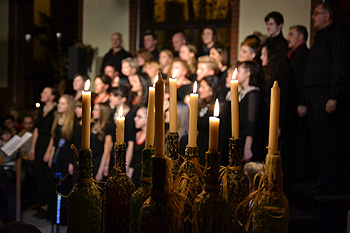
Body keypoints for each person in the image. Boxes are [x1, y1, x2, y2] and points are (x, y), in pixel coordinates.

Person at [304, 2, 349, 194]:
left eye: (316, 13)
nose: (313, 17)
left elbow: (339, 68)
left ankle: (335, 182)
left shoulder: (336, 36)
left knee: (329, 139)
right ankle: (323, 178)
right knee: (317, 140)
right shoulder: (320, 37)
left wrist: (333, 96)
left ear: (327, 16)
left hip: (326, 96)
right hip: (314, 96)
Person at [44, 94, 78, 225]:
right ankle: (53, 216)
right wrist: (50, 154)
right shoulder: (57, 119)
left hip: (66, 156)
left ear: (69, 106)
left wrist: (71, 163)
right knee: (54, 184)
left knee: (64, 186)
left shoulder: (73, 122)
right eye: (59, 103)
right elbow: (54, 140)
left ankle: (62, 217)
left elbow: (73, 144)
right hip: (57, 156)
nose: (59, 105)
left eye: (63, 103)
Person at [286, 25, 313, 183]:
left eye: (291, 34)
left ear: (301, 37)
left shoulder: (303, 56)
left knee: (302, 144)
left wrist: (303, 103)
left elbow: (304, 82)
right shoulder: (294, 55)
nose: (288, 37)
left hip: (300, 107)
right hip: (294, 106)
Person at [30, 87, 58, 218]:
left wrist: (49, 151)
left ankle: (46, 206)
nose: (42, 94)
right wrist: (33, 148)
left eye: (45, 92)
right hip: (39, 142)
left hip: (48, 142)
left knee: (46, 175)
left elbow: (53, 132)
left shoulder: (55, 111)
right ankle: (41, 203)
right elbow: (36, 129)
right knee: (38, 173)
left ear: (52, 96)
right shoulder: (41, 110)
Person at [260, 43, 290, 161]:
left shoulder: (280, 76)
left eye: (264, 54)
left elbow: (283, 101)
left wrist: (279, 124)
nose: (261, 57)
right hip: (268, 118)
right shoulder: (268, 74)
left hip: (277, 120)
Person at [236, 61, 263, 162]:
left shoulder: (253, 94)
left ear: (248, 73)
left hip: (248, 142)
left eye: (239, 71)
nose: (237, 74)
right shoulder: (242, 92)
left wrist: (247, 148)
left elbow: (251, 123)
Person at [107, 86, 136, 178]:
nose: (110, 98)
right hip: (112, 155)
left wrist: (125, 165)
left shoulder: (130, 116)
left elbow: (131, 143)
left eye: (114, 96)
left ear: (123, 99)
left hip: (123, 156)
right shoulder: (112, 114)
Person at [90, 103, 113, 181]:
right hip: (90, 160)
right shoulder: (93, 124)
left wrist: (100, 170)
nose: (93, 111)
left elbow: (106, 151)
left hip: (99, 161)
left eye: (96, 110)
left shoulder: (107, 127)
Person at [129, 106, 147, 188]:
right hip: (135, 171)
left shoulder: (154, 137)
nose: (135, 119)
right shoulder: (137, 134)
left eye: (139, 117)